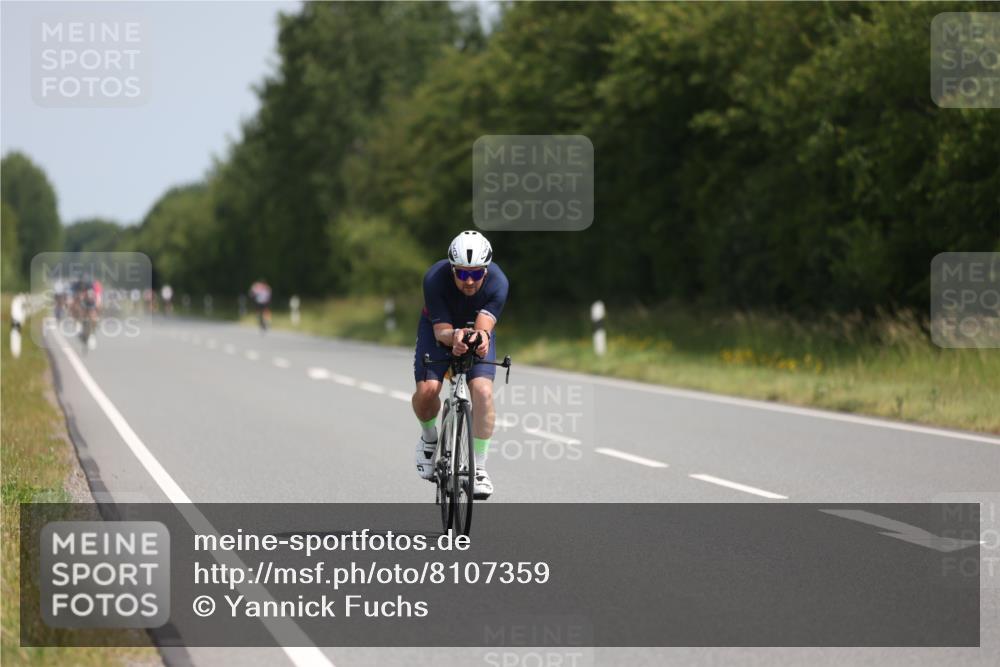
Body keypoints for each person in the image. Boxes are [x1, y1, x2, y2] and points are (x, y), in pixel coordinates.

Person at [411, 230, 508, 498]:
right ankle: (429, 440)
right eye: (462, 273)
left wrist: (482, 338)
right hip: (439, 328)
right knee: (429, 390)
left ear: (486, 272)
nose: (468, 281)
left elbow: (484, 326)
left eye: (476, 274)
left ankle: (479, 467)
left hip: (474, 326)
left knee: (484, 392)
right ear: (452, 268)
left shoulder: (499, 282)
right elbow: (441, 330)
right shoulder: (434, 278)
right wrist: (453, 337)